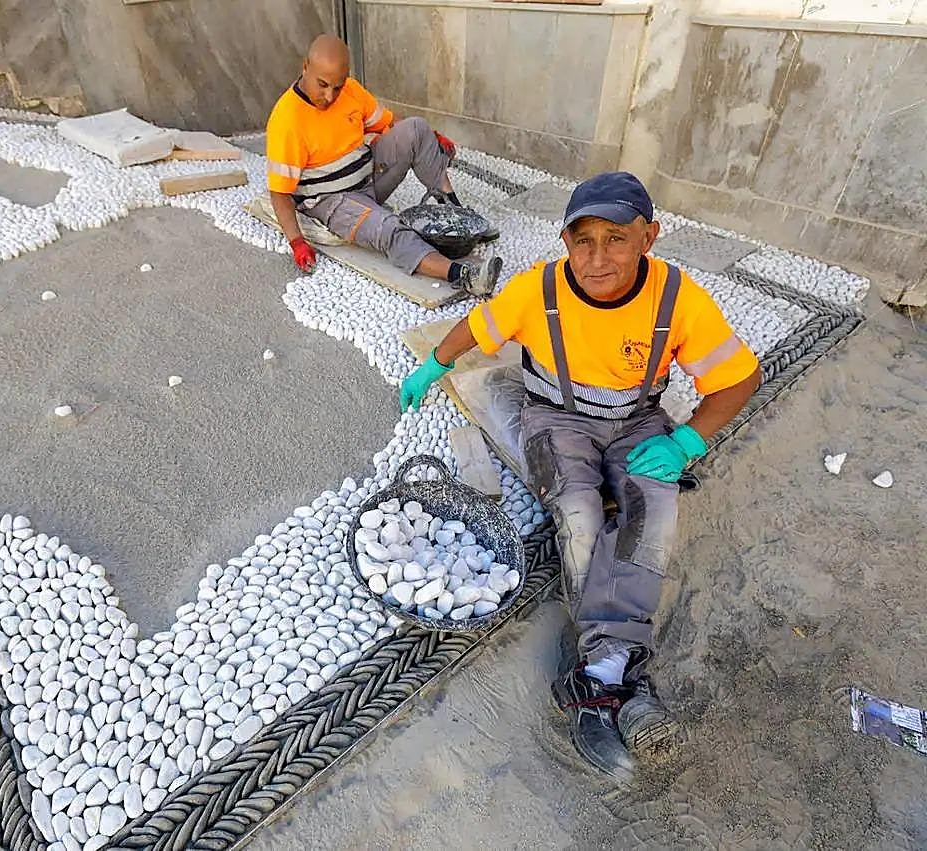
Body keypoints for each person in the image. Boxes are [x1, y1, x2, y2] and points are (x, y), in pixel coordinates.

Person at [400, 171, 761, 781]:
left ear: (649, 237)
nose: (596, 258)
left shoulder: (677, 299)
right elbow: (478, 326)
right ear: (565, 240)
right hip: (556, 421)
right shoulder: (536, 289)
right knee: (580, 515)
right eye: (581, 240)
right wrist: (433, 367)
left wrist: (689, 440)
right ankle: (614, 672)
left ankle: (598, 677)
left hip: (636, 422)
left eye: (616, 239)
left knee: (652, 512)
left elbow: (739, 378)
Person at [265, 34, 502, 297]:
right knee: (388, 226)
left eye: (337, 87)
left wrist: (432, 138)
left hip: (368, 181)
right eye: (323, 85)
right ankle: (463, 275)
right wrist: (297, 242)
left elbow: (390, 122)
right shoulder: (287, 120)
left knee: (416, 127)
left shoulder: (351, 91)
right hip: (332, 201)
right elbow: (280, 193)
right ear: (305, 66)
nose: (330, 96)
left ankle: (456, 216)